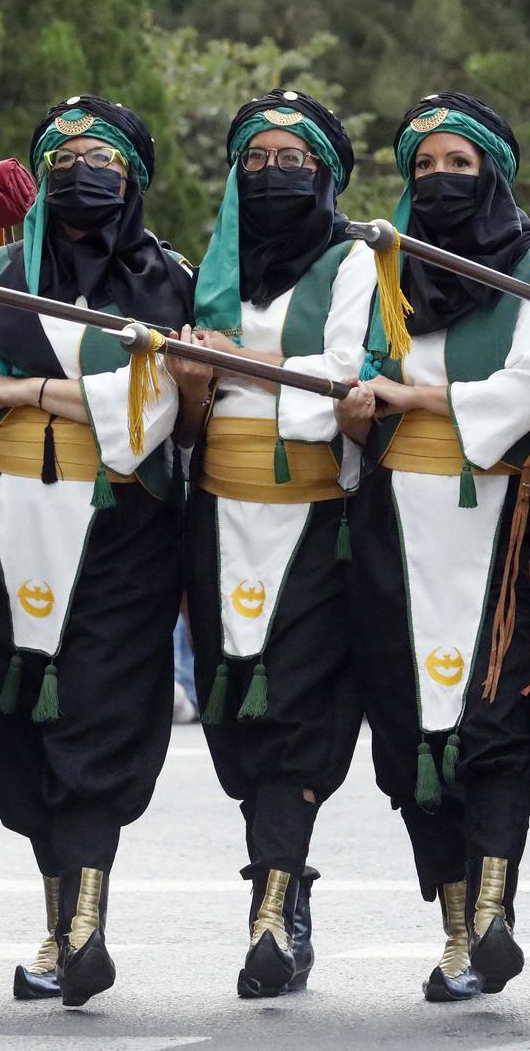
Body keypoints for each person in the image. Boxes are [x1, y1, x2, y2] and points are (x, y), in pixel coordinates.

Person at [0, 96, 192, 1007]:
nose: (85, 168)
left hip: (120, 525)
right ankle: (58, 917)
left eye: (103, 156)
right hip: (3, 517)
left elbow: (147, 414)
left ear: (133, 175)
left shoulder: (166, 281)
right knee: (9, 721)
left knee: (98, 709)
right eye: (65, 154)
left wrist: (23, 386)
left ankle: (84, 925)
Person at [333, 93, 530, 1002]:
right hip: (396, 521)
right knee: (410, 729)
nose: (438, 181)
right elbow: (352, 381)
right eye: (423, 167)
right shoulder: (380, 266)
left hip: (500, 522)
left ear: (494, 173)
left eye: (457, 166)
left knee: (499, 720)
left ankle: (495, 912)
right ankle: (454, 930)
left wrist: (415, 399)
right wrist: (358, 409)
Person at [170, 88, 374, 999]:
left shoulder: (352, 262)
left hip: (314, 519)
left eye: (294, 160)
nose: (273, 174)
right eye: (256, 159)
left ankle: (274, 904)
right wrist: (192, 377)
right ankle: (282, 893)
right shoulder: (206, 272)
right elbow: (184, 402)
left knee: (298, 711)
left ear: (327, 173)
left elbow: (341, 373)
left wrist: (238, 363)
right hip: (217, 516)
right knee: (234, 714)